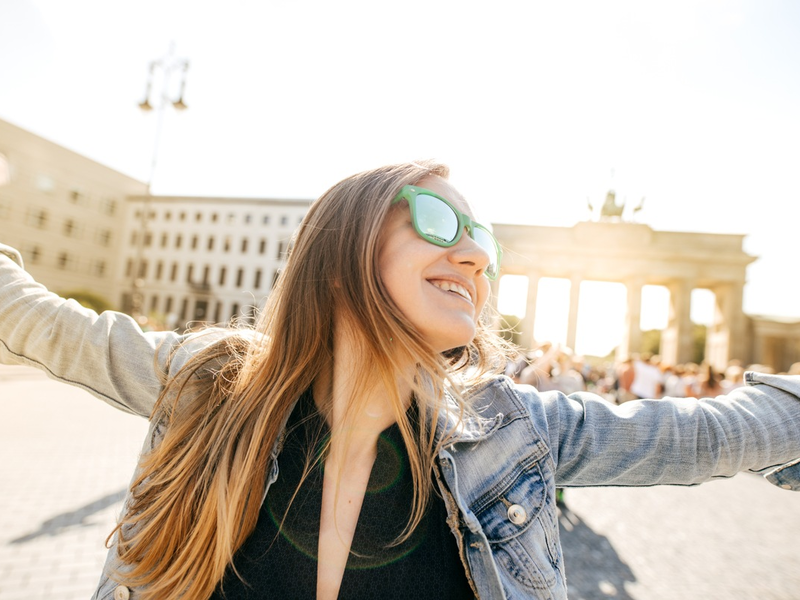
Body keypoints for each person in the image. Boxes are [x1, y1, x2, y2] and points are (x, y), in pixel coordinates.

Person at [1, 159, 799, 600]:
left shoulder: (520, 430)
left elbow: (715, 433)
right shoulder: (211, 385)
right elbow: (33, 318)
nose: (477, 255)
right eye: (439, 223)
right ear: (343, 250)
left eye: (482, 238)